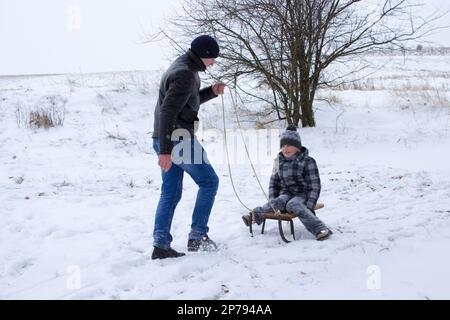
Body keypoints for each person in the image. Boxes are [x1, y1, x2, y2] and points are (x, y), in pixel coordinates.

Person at [151, 35, 225, 259]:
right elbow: (167, 111)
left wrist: (211, 92)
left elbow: (187, 101)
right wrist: (165, 151)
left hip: (165, 137)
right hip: (177, 139)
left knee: (171, 192)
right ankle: (197, 236)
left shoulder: (185, 66)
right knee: (209, 181)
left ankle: (161, 245)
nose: (213, 62)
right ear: (203, 55)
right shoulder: (185, 74)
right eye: (212, 58)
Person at [242, 124, 332, 241]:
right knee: (278, 201)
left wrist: (309, 205)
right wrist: (273, 200)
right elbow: (274, 182)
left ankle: (320, 228)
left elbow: (314, 185)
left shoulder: (308, 161)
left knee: (292, 204)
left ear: (297, 147)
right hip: (286, 193)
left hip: (302, 194)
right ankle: (254, 216)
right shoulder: (278, 161)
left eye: (289, 145)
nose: (285, 148)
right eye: (283, 145)